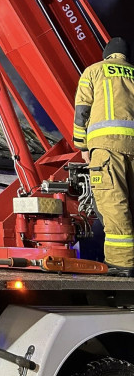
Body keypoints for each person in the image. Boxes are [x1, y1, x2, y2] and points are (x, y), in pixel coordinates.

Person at [73, 37, 134, 277]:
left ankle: (122, 263)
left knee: (113, 205)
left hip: (106, 150)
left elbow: (82, 111)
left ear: (107, 54)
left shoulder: (94, 71)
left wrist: (82, 145)